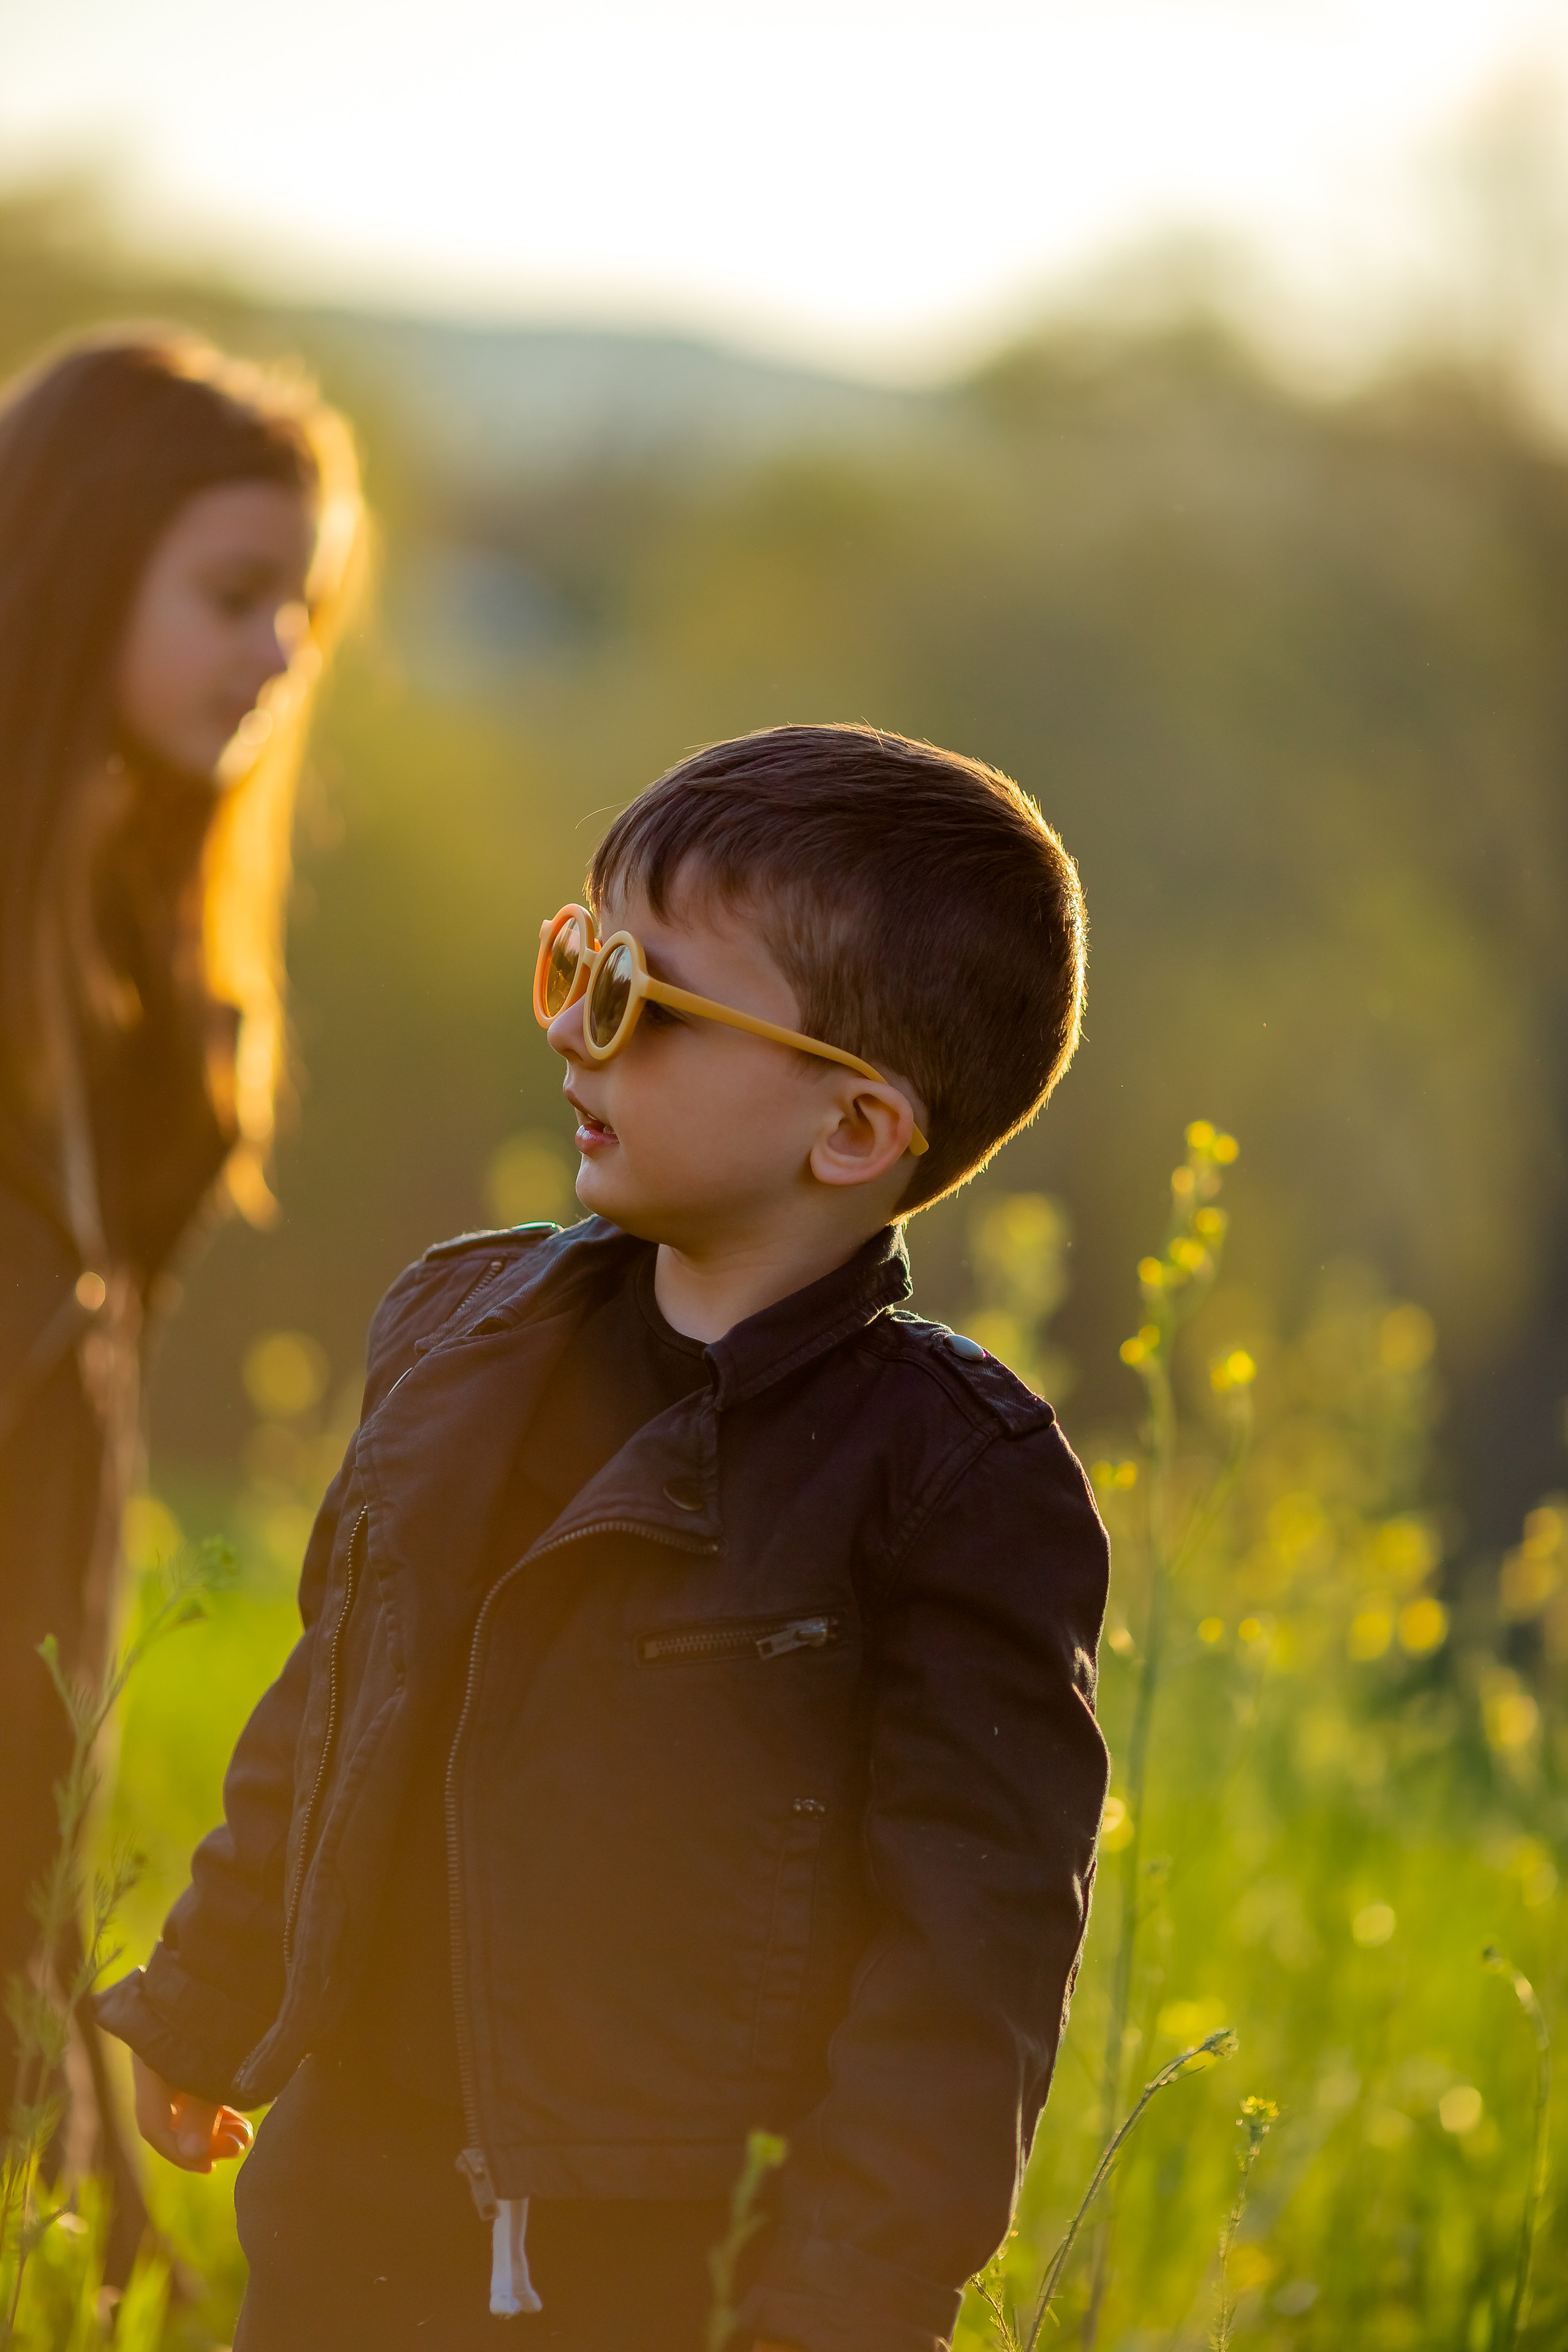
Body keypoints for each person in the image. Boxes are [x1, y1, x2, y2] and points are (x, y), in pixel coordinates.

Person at [99, 725, 1111, 2352]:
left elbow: (965, 1970)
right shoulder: (455, 1331)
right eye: (578, 959)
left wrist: (850, 2295)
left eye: (643, 999)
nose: (577, 1027)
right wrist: (213, 1995)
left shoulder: (951, 1481)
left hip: (667, 2256)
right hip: (351, 2190)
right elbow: (337, 1694)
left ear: (852, 1133)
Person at [0, 330, 363, 2204]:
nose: (280, 654)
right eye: (235, 596)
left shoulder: (145, 946)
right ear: (72, 578)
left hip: (34, 1768)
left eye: (300, 610)